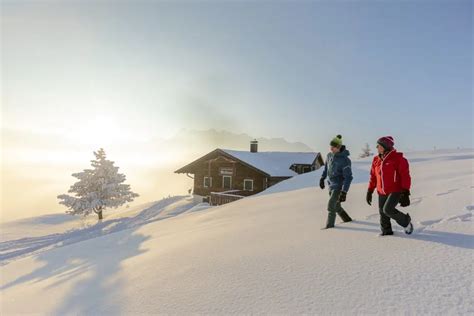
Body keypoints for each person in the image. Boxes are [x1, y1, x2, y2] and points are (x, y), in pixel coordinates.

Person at [366, 136, 414, 236]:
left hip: (395, 190)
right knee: (383, 214)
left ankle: (406, 221)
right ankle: (386, 233)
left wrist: (405, 192)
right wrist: (370, 190)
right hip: (381, 191)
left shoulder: (398, 159)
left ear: (385, 146)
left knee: (387, 210)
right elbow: (373, 176)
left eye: (379, 145)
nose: (377, 147)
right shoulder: (376, 160)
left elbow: (405, 175)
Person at [319, 135, 353, 229]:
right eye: (330, 146)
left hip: (339, 186)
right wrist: (322, 178)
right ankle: (347, 219)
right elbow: (326, 168)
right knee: (336, 205)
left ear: (338, 147)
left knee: (331, 205)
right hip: (330, 185)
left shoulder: (345, 160)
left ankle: (330, 227)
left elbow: (348, 177)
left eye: (333, 147)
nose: (331, 149)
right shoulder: (329, 155)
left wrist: (344, 192)